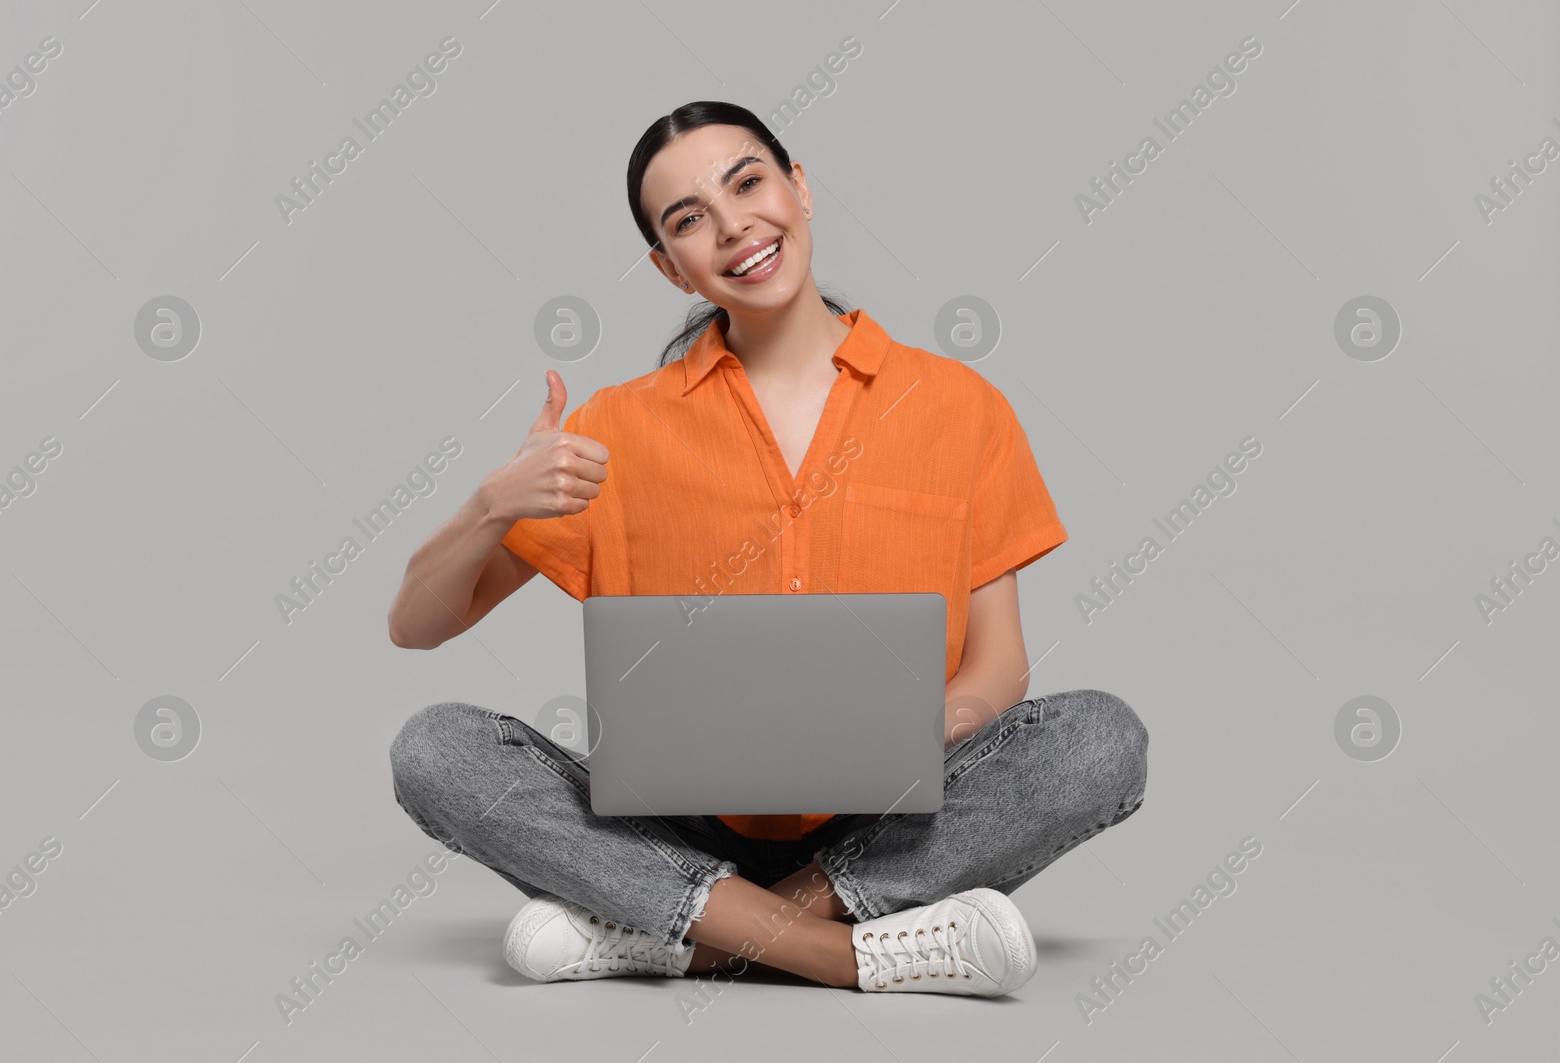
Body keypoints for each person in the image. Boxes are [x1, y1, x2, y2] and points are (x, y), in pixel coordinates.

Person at [386, 101, 1148, 997]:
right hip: (678, 823)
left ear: (800, 187)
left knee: (1101, 739)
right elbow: (416, 627)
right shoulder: (616, 428)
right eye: (688, 219)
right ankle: (848, 952)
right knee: (434, 749)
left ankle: (672, 933)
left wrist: (904, 735)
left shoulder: (961, 407)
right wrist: (489, 504)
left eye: (747, 182)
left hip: (892, 818)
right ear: (671, 268)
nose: (734, 224)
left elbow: (999, 661)